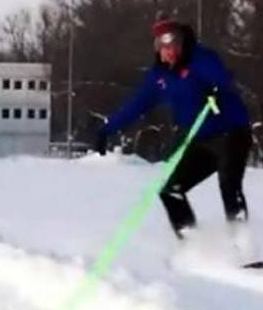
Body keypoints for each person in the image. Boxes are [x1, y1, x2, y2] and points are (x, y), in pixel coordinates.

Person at [96, 16, 253, 240]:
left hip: (231, 134)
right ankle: (192, 242)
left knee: (229, 184)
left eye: (173, 45)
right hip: (199, 140)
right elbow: (137, 104)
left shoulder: (201, 59)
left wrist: (216, 88)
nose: (168, 51)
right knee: (171, 189)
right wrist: (108, 129)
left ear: (182, 43)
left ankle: (243, 245)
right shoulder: (160, 77)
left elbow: (222, 78)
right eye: (162, 47)